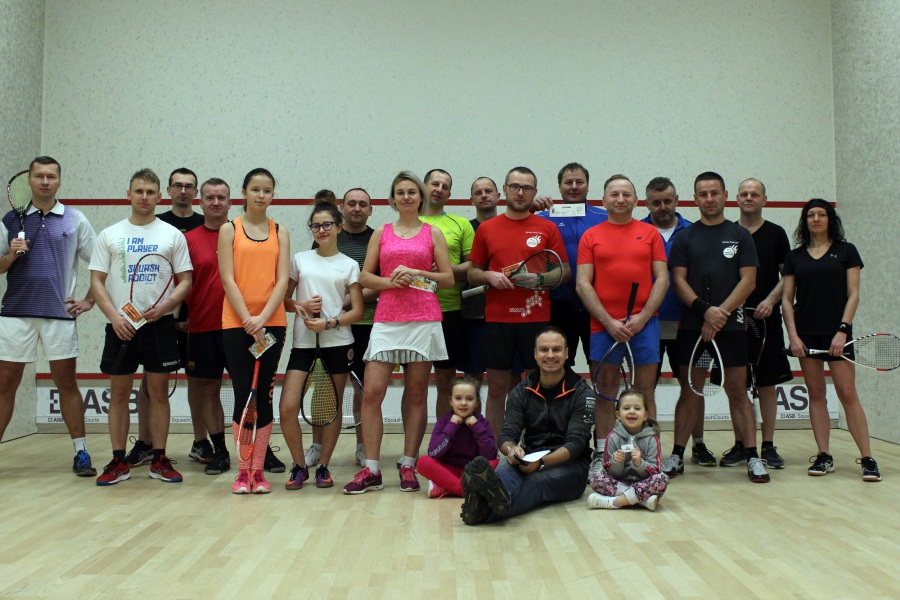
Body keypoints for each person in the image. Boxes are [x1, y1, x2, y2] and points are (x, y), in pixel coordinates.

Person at [342, 171, 454, 494]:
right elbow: (365, 277)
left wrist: (417, 272)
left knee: (416, 394)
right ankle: (372, 470)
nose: (406, 196)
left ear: (420, 198)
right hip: (387, 319)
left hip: (423, 319)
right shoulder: (382, 232)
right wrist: (390, 282)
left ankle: (408, 465)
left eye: (411, 192)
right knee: (372, 392)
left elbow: (447, 279)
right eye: (400, 192)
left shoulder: (433, 234)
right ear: (392, 199)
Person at [661, 172, 769, 484]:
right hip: (693, 326)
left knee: (737, 390)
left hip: (731, 326)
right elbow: (678, 281)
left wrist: (720, 314)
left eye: (714, 193)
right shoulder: (685, 237)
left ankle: (752, 456)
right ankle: (677, 454)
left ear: (724, 195)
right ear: (695, 199)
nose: (709, 199)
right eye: (703, 194)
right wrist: (705, 311)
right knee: (691, 390)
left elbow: (749, 281)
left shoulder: (740, 235)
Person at [89, 168, 193, 486]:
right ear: (128, 194)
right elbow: (97, 281)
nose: (144, 197)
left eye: (150, 192)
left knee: (158, 393)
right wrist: (114, 317)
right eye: (139, 191)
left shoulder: (172, 235)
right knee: (119, 394)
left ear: (159, 196)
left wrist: (165, 307)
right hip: (121, 326)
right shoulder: (109, 235)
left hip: (159, 326)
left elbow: (185, 280)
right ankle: (118, 461)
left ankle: (159, 458)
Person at [0, 156, 98, 475]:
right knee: (5, 384)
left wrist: (89, 300)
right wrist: (11, 255)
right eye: (39, 176)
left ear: (59, 181)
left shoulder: (75, 219)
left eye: (51, 176)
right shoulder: (10, 220)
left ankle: (81, 452)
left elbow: (101, 262)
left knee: (66, 382)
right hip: (15, 313)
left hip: (58, 314)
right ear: (29, 180)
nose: (45, 182)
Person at [468, 167, 570, 444]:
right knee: (497, 388)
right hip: (497, 320)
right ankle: (492, 449)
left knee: (537, 388)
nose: (520, 192)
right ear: (505, 190)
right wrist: (489, 276)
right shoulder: (487, 228)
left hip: (536, 320)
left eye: (526, 188)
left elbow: (564, 271)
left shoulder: (547, 228)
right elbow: (473, 272)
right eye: (514, 187)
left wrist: (539, 279)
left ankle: (536, 446)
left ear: (534, 192)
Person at [782, 199, 880, 482]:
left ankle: (868, 458)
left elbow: (854, 294)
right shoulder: (795, 257)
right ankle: (824, 455)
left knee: (847, 394)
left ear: (830, 219)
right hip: (806, 335)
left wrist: (843, 330)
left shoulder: (846, 252)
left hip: (838, 335)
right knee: (815, 394)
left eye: (821, 214)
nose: (816, 219)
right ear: (805, 221)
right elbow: (787, 300)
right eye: (810, 215)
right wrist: (793, 336)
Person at [459, 326, 594, 525]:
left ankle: (484, 511)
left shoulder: (582, 392)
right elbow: (506, 436)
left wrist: (541, 463)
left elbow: (575, 445)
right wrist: (512, 450)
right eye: (544, 350)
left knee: (534, 482)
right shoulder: (521, 391)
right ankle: (487, 504)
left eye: (556, 350)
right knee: (505, 465)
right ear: (535, 354)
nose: (550, 355)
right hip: (528, 459)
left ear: (566, 354)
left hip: (571, 469)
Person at [126, 167, 210, 468]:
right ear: (169, 191)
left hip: (197, 318)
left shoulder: (205, 225)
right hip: (157, 318)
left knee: (198, 380)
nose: (183, 191)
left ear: (195, 192)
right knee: (149, 382)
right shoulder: (155, 225)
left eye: (189, 186)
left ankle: (200, 441)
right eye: (178, 185)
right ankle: (145, 442)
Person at [576, 174, 667, 446]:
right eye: (614, 194)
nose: (620, 199)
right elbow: (582, 284)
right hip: (604, 328)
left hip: (645, 327)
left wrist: (642, 318)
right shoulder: (591, 236)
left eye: (626, 194)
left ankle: (648, 454)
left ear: (636, 200)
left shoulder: (650, 233)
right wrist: (609, 322)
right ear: (604, 200)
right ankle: (603, 455)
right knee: (605, 393)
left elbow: (662, 279)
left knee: (644, 392)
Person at [280, 202, 363, 490]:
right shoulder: (300, 259)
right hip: (303, 344)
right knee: (287, 407)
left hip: (338, 343)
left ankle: (324, 466)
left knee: (333, 409)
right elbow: (283, 301)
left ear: (339, 227)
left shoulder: (349, 264)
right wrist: (302, 305)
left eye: (327, 224)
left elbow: (357, 311)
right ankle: (299, 466)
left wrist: (328, 323)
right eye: (316, 225)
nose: (321, 230)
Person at [218, 168, 290, 494]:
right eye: (255, 189)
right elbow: (228, 279)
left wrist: (262, 319)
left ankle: (258, 471)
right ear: (244, 192)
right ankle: (242, 472)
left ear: (273, 194)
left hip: (272, 324)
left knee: (263, 395)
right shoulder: (229, 229)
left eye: (267, 190)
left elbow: (282, 280)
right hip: (237, 323)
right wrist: (249, 319)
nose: (261, 195)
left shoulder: (280, 231)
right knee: (243, 395)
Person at [641, 177, 714, 467]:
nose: (662, 207)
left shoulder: (694, 232)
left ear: (677, 200)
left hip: (689, 323)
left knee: (693, 385)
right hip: (648, 323)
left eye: (667, 201)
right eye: (656, 202)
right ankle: (649, 450)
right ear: (647, 204)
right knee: (646, 388)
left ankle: (698, 444)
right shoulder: (637, 231)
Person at [306, 188, 377, 469]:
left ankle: (362, 446)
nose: (356, 208)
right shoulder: (326, 237)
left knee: (363, 389)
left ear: (370, 210)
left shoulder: (377, 238)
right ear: (342, 209)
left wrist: (349, 299)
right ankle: (317, 445)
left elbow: (379, 281)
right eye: (351, 204)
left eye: (362, 204)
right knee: (323, 389)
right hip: (327, 329)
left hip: (368, 324)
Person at [726, 178, 793, 469]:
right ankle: (742, 444)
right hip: (733, 321)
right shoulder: (728, 233)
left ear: (765, 199)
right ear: (736, 199)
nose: (749, 198)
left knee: (766, 384)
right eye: (744, 193)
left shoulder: (776, 234)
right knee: (736, 385)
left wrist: (769, 301)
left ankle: (767, 445)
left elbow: (788, 276)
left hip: (766, 320)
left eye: (755, 194)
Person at [535, 163, 608, 367]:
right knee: (557, 366)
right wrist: (529, 210)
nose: (574, 187)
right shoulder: (543, 219)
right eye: (568, 182)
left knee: (601, 366)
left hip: (598, 306)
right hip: (558, 307)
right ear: (559, 186)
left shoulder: (606, 218)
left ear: (588, 185)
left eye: (579, 182)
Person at [183, 178, 233, 475]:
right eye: (210, 197)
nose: (216, 202)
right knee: (208, 390)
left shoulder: (242, 236)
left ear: (230, 202)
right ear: (200, 202)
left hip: (240, 328)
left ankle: (259, 452)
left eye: (221, 197)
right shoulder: (187, 240)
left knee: (248, 391)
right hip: (203, 328)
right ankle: (220, 452)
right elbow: (181, 285)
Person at [420, 169, 475, 416]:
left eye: (445, 186)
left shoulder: (460, 224)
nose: (439, 189)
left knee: (445, 383)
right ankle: (413, 442)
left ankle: (443, 436)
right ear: (424, 187)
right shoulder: (406, 224)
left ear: (449, 194)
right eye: (435, 184)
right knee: (415, 385)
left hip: (449, 312)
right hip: (412, 314)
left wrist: (445, 270)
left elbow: (472, 267)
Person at [416, 375, 497, 498]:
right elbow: (433, 453)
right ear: (450, 401)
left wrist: (477, 427)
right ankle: (465, 490)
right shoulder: (444, 421)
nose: (463, 403)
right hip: (448, 470)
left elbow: (490, 456)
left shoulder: (482, 423)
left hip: (474, 471)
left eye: (469, 399)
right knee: (423, 462)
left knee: (499, 464)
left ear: (477, 402)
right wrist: (451, 426)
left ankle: (447, 487)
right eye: (458, 398)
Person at [587, 389, 668, 511]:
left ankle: (616, 502)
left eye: (637, 408)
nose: (632, 411)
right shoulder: (612, 437)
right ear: (618, 415)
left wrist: (640, 464)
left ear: (645, 415)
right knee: (596, 479)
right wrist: (616, 462)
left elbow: (655, 471)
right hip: (620, 483)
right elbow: (610, 472)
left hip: (644, 483)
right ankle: (642, 500)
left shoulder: (652, 439)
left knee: (661, 479)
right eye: (626, 408)